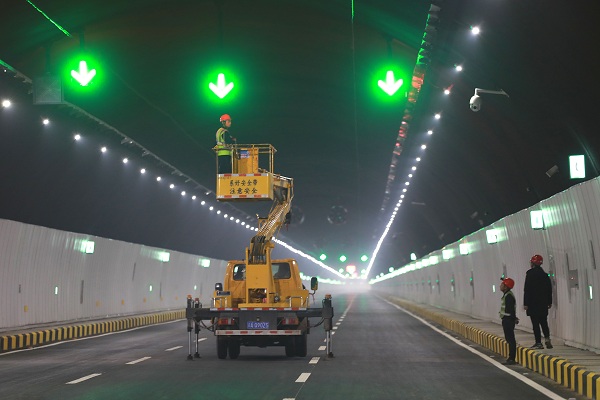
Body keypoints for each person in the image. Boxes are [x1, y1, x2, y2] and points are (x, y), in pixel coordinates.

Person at [523, 254, 553, 349]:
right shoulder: (545, 275)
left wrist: (526, 303)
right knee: (544, 322)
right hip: (543, 303)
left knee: (535, 324)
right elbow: (549, 289)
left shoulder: (530, 274)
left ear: (533, 263)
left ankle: (538, 343)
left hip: (533, 303)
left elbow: (527, 289)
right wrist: (549, 302)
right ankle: (547, 339)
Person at [499, 277, 519, 365]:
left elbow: (511, 310)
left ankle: (512, 358)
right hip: (506, 319)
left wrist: (514, 318)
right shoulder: (507, 295)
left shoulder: (509, 296)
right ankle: (511, 357)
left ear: (506, 287)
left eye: (502, 284)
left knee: (511, 339)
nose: (500, 285)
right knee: (509, 338)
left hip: (508, 320)